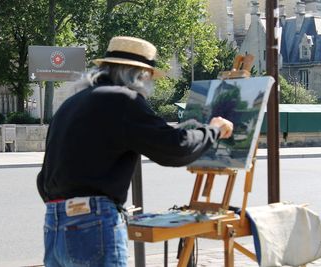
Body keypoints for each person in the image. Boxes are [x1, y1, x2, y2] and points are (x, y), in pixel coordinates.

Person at [37, 36, 233, 267]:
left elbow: (44, 178)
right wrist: (214, 130)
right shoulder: (122, 99)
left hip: (54, 223)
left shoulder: (72, 103)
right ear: (138, 75)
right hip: (93, 222)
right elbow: (175, 147)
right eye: (148, 77)